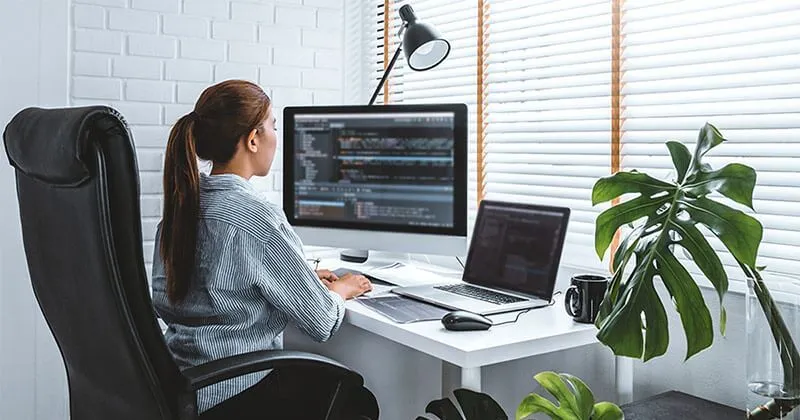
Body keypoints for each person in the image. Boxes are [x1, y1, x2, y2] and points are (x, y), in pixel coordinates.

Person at [151, 80, 375, 419]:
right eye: (272, 125)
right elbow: (322, 321)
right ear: (253, 139)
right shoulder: (256, 215)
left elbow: (183, 289)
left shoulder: (184, 206)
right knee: (359, 403)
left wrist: (294, 277)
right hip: (234, 391)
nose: (275, 135)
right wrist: (342, 289)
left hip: (181, 388)